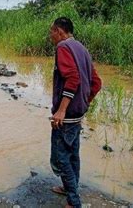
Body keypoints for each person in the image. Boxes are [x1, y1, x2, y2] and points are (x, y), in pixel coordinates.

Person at [49, 17, 102, 208]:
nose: (50, 36)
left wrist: (62, 110)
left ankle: (74, 201)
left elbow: (72, 79)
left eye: (51, 32)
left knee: (61, 158)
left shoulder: (63, 47)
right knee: (73, 154)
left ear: (59, 31)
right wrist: (84, 102)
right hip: (77, 112)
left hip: (68, 115)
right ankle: (68, 188)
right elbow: (96, 82)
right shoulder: (81, 48)